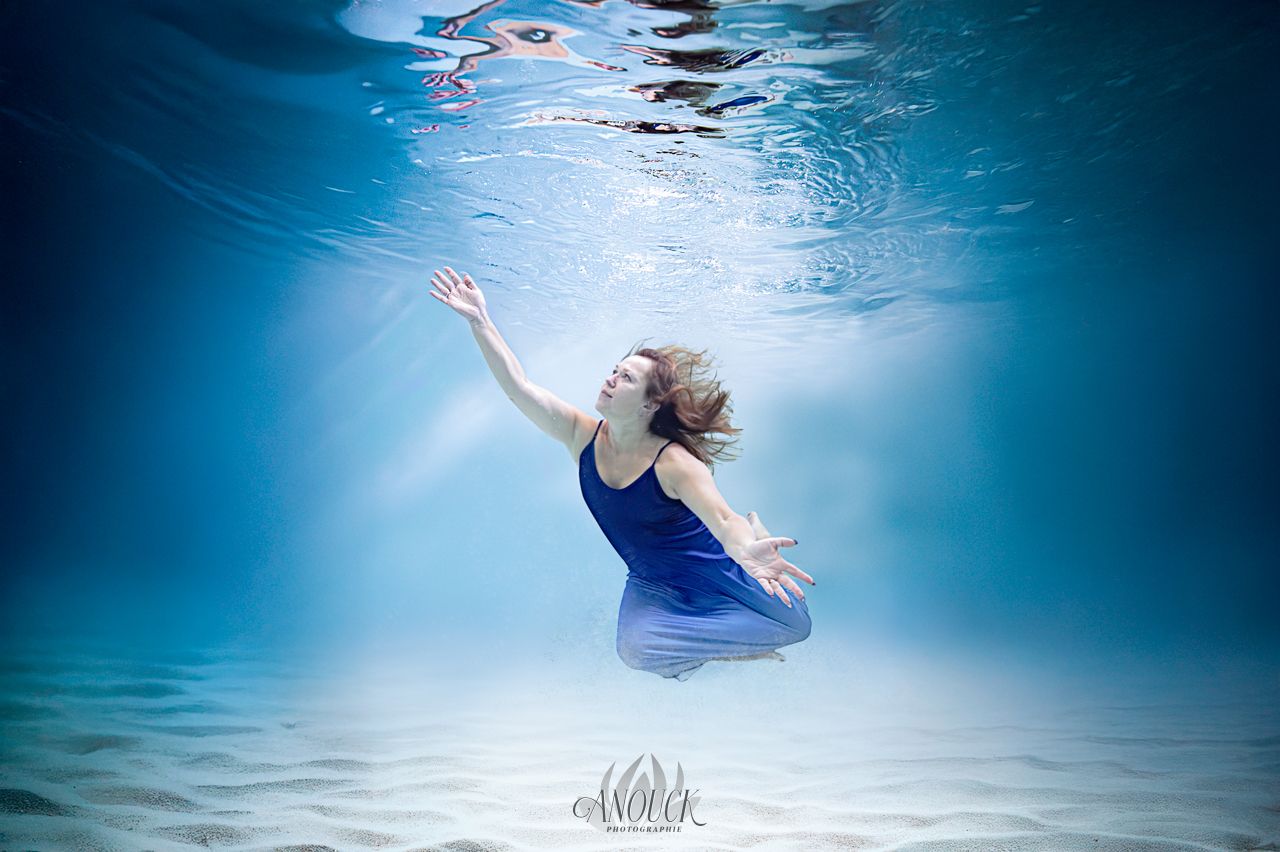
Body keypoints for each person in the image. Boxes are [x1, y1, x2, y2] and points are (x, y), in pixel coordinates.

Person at [428, 266, 815, 680]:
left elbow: (722, 519)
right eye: (615, 370)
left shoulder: (673, 463)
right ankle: (732, 651)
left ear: (650, 405)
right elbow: (519, 387)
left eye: (626, 377)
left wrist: (745, 549)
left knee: (796, 625)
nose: (611, 379)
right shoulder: (581, 436)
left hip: (716, 574)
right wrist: (480, 321)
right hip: (653, 584)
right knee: (635, 651)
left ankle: (752, 562)